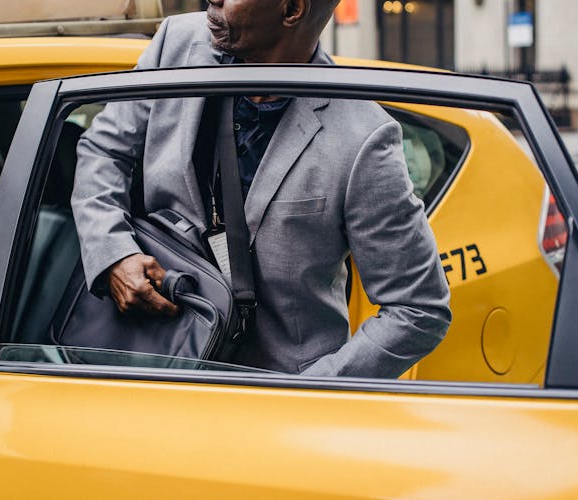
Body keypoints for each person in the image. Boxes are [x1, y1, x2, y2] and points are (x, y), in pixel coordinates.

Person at [72, 0, 451, 378]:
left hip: (274, 404)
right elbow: (103, 151)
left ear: (291, 10)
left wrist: (310, 394)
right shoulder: (176, 44)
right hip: (157, 365)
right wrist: (114, 255)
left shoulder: (363, 138)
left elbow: (419, 309)